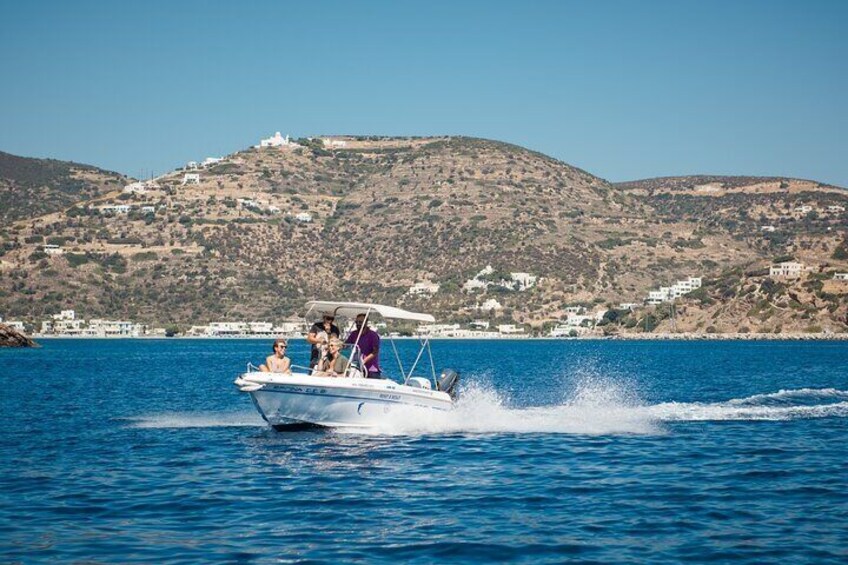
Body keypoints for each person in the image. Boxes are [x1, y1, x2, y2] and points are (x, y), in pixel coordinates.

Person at [345, 313, 381, 378]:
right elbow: (346, 345)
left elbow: (375, 351)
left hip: (371, 369)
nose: (358, 323)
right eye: (357, 322)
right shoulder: (354, 334)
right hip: (356, 367)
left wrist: (363, 361)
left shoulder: (373, 335)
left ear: (366, 322)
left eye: (360, 322)